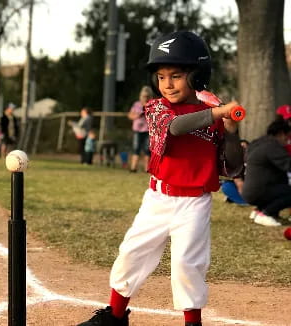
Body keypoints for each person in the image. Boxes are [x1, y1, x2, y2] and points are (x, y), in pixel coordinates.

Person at [77, 31, 244, 326]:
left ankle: (193, 322)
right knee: (132, 252)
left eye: (177, 75)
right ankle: (115, 316)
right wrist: (218, 112)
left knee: (186, 264)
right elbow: (178, 127)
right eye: (162, 76)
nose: (167, 84)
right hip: (159, 198)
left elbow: (231, 166)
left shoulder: (213, 114)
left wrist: (231, 131)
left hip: (195, 202)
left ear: (197, 75)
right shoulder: (156, 109)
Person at [242, 120, 291, 227]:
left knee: (281, 183)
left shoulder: (257, 143)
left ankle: (259, 211)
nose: (288, 141)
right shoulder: (272, 145)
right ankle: (266, 213)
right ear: (281, 134)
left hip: (249, 190)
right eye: (288, 137)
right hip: (259, 191)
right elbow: (288, 164)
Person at [127, 86, 153, 172]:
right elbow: (130, 115)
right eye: (144, 96)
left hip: (148, 130)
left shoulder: (152, 104)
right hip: (137, 130)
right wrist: (137, 116)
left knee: (147, 150)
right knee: (136, 148)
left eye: (147, 96)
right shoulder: (136, 104)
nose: (145, 98)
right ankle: (133, 168)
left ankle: (147, 168)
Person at [220, 139, 249, 205]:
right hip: (242, 189)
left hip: (253, 188)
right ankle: (241, 200)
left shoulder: (254, 160)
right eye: (240, 148)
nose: (243, 150)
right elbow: (238, 182)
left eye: (244, 148)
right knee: (226, 186)